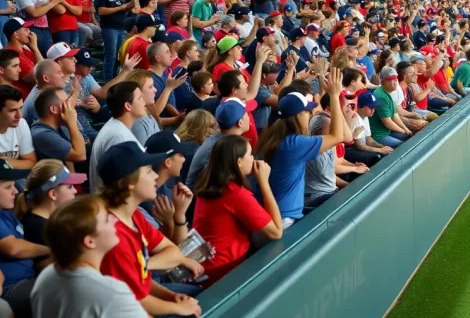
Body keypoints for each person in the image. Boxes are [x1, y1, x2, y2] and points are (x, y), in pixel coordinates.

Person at [97, 142, 203, 317]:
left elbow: (174, 253)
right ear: (130, 183)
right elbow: (133, 301)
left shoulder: (133, 216)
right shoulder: (112, 235)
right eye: (148, 171)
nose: (155, 176)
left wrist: (172, 296)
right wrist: (177, 307)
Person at [255, 68, 346, 228]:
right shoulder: (294, 144)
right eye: (306, 111)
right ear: (297, 115)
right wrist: (334, 96)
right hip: (285, 220)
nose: (311, 114)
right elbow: (338, 137)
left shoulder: (272, 135)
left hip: (275, 215)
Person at [31, 195, 147, 318]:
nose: (115, 219)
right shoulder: (111, 292)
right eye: (107, 219)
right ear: (90, 242)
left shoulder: (46, 276)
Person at [193, 135, 282, 285]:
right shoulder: (234, 194)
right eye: (250, 154)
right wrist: (264, 182)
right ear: (239, 162)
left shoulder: (209, 183)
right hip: (223, 274)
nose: (253, 158)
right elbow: (276, 231)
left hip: (204, 267)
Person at [15, 160, 86, 266]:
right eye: (69, 187)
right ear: (53, 194)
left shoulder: (50, 220)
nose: (75, 191)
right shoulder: (38, 227)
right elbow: (45, 267)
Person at [0, 159, 47, 317]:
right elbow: (13, 248)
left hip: (30, 278)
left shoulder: (7, 212)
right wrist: (54, 249)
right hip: (12, 287)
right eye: (8, 187)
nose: (15, 191)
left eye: (14, 185)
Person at [88, 82, 145, 192]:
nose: (144, 102)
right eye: (140, 98)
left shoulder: (117, 127)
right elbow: (120, 185)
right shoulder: (118, 137)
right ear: (128, 106)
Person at [95, 0, 137, 82]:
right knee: (111, 56)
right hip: (109, 28)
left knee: (120, 56)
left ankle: (117, 79)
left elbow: (127, 6)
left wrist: (131, 5)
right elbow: (101, 11)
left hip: (122, 26)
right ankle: (108, 81)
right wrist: (121, 8)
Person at [30, 87, 87, 164]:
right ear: (54, 109)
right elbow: (80, 156)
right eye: (67, 102)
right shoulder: (43, 135)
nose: (72, 106)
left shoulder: (59, 125)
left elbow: (67, 153)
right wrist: (72, 122)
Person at [367, 67, 411, 147]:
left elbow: (395, 116)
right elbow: (387, 122)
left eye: (395, 79)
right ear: (383, 81)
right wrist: (403, 131)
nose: (395, 82)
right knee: (403, 146)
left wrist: (405, 129)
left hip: (387, 131)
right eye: (391, 79)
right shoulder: (380, 96)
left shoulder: (388, 92)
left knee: (411, 138)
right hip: (379, 136)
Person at [3, 18, 43, 100]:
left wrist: (34, 49)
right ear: (16, 35)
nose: (30, 32)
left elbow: (44, 68)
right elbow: (40, 79)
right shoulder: (12, 54)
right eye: (26, 30)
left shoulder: (24, 50)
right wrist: (35, 48)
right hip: (23, 102)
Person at [0, 86, 37, 171]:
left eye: (20, 108)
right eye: (12, 110)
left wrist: (2, 163)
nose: (19, 115)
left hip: (14, 174)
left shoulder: (21, 124)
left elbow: (31, 162)